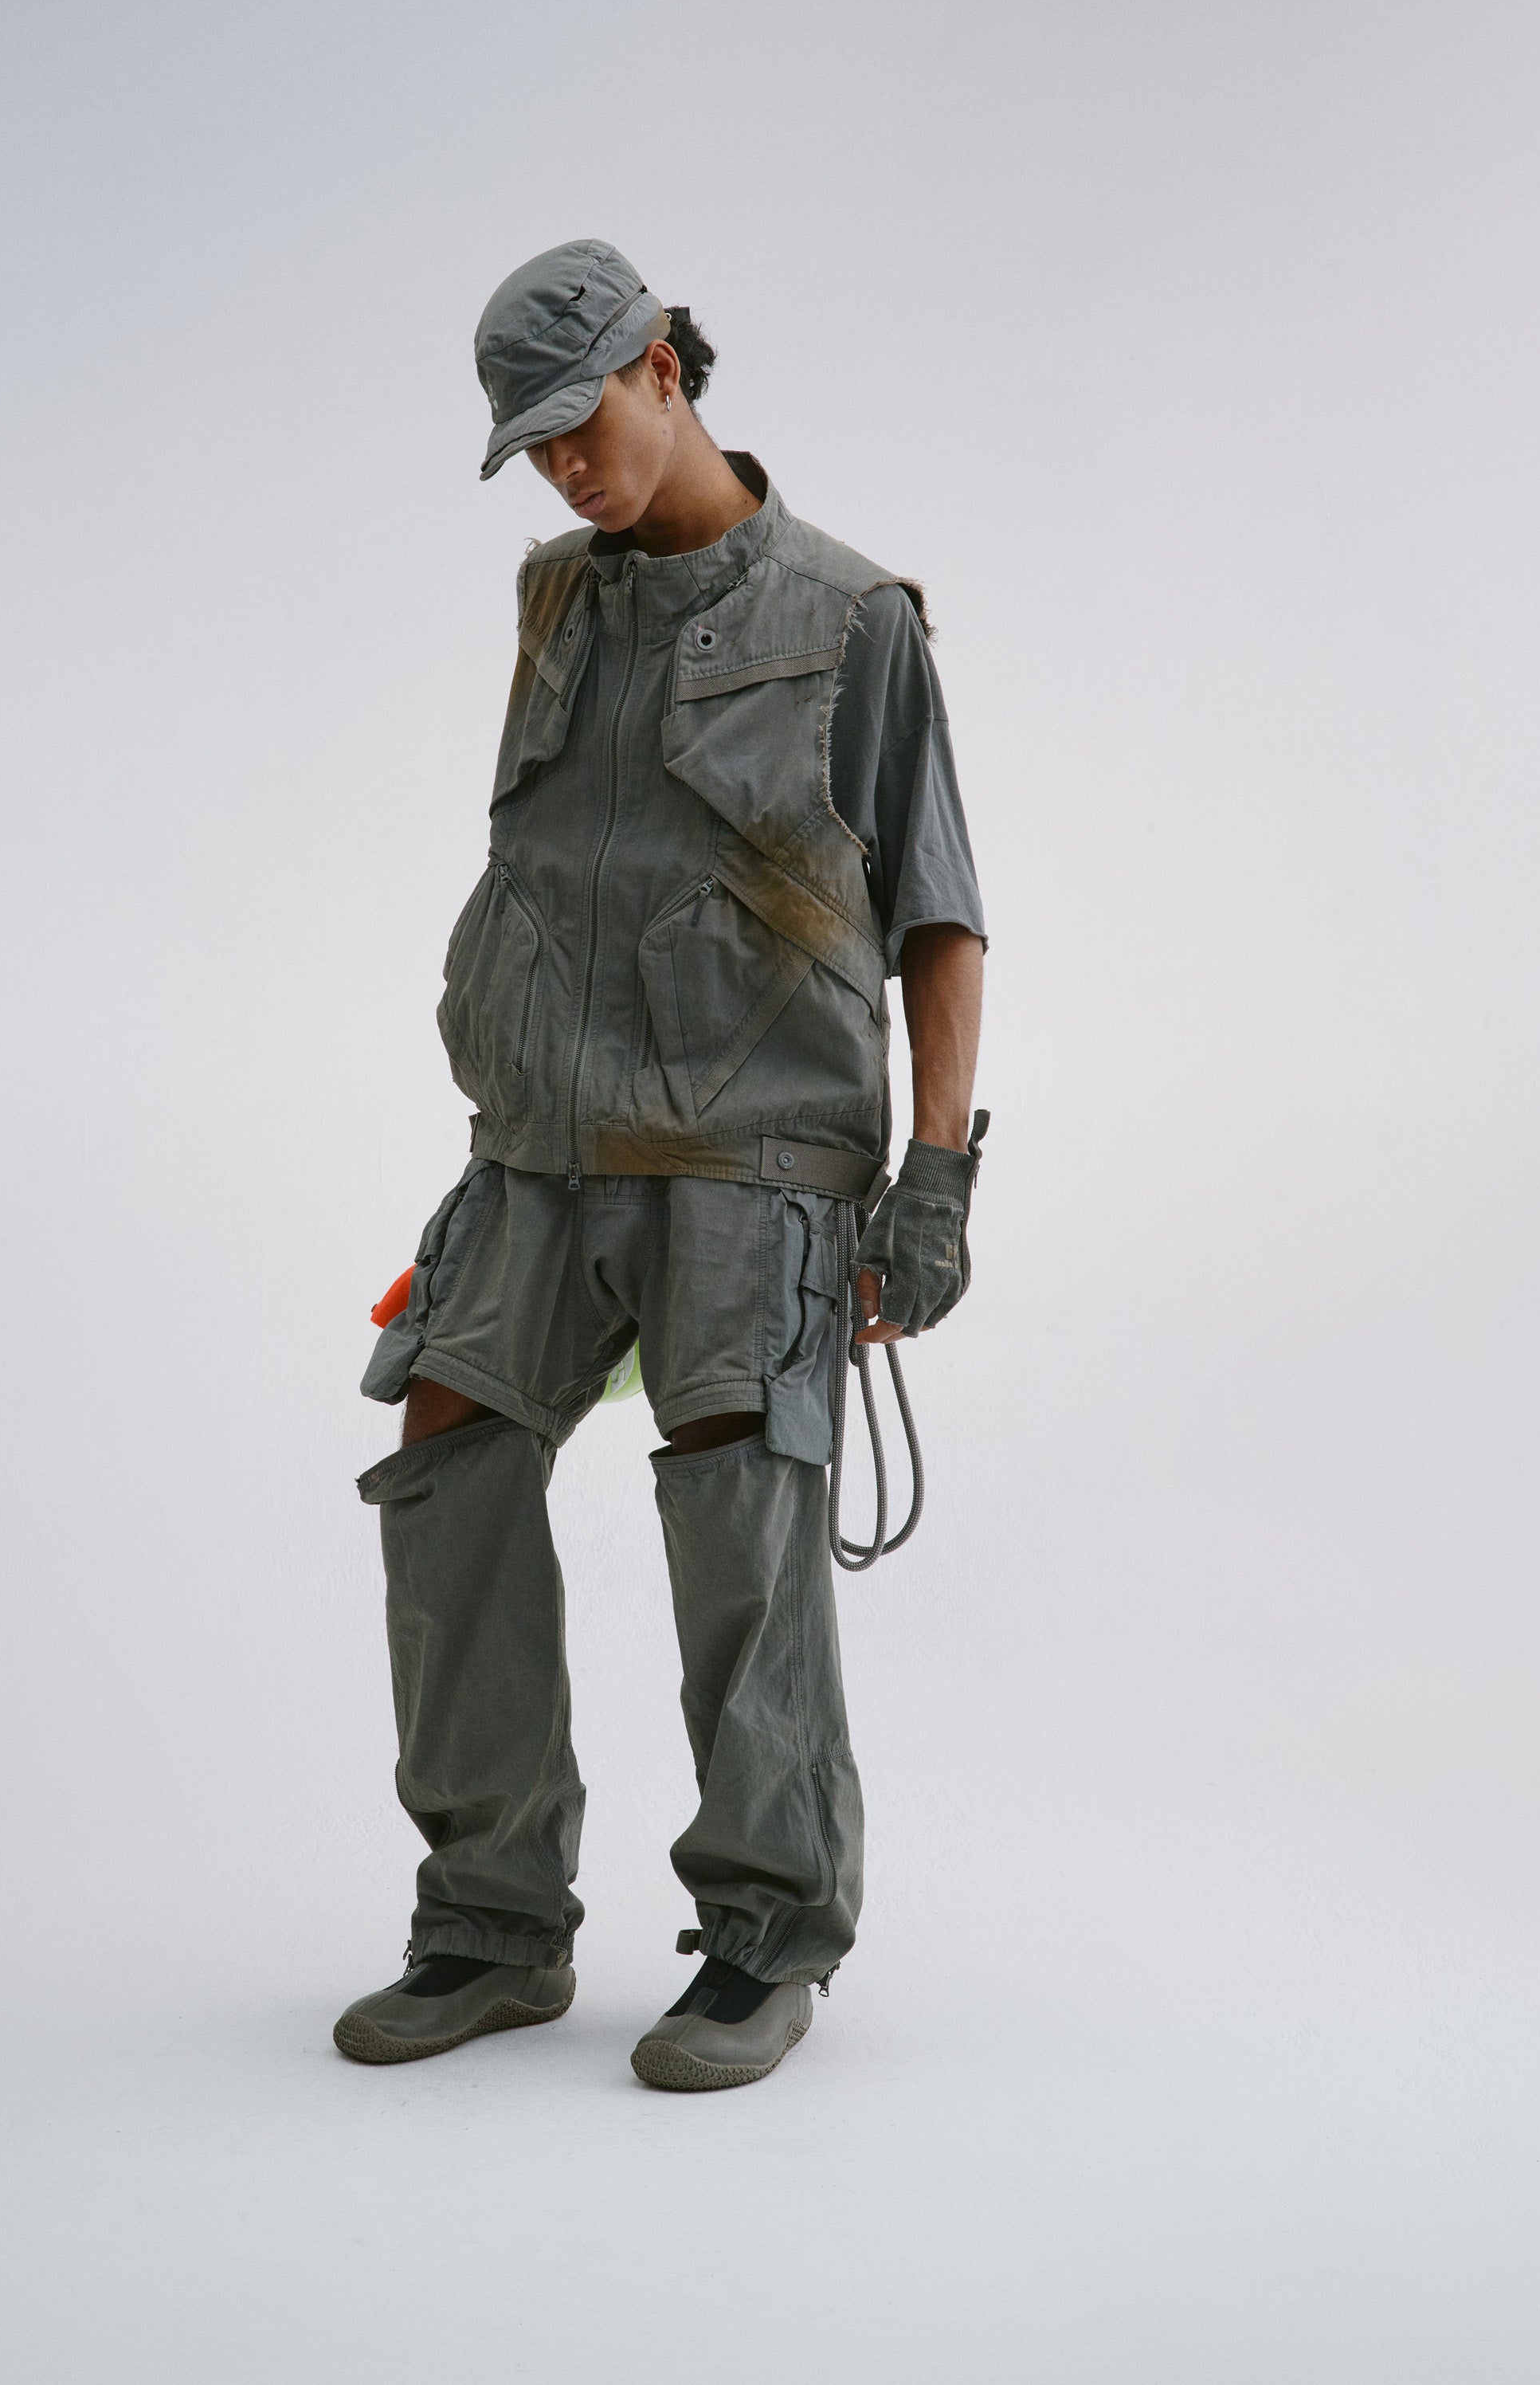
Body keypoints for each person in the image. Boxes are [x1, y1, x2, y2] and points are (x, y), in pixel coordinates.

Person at [334, 239, 988, 2090]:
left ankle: (766, 1935)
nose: (564, 469)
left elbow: (937, 918)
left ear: (664, 373)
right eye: (532, 447)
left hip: (746, 1156)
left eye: (581, 423)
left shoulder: (851, 617)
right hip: (538, 1147)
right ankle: (489, 1919)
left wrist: (934, 1177)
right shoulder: (554, 598)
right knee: (446, 1460)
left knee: (735, 1517)